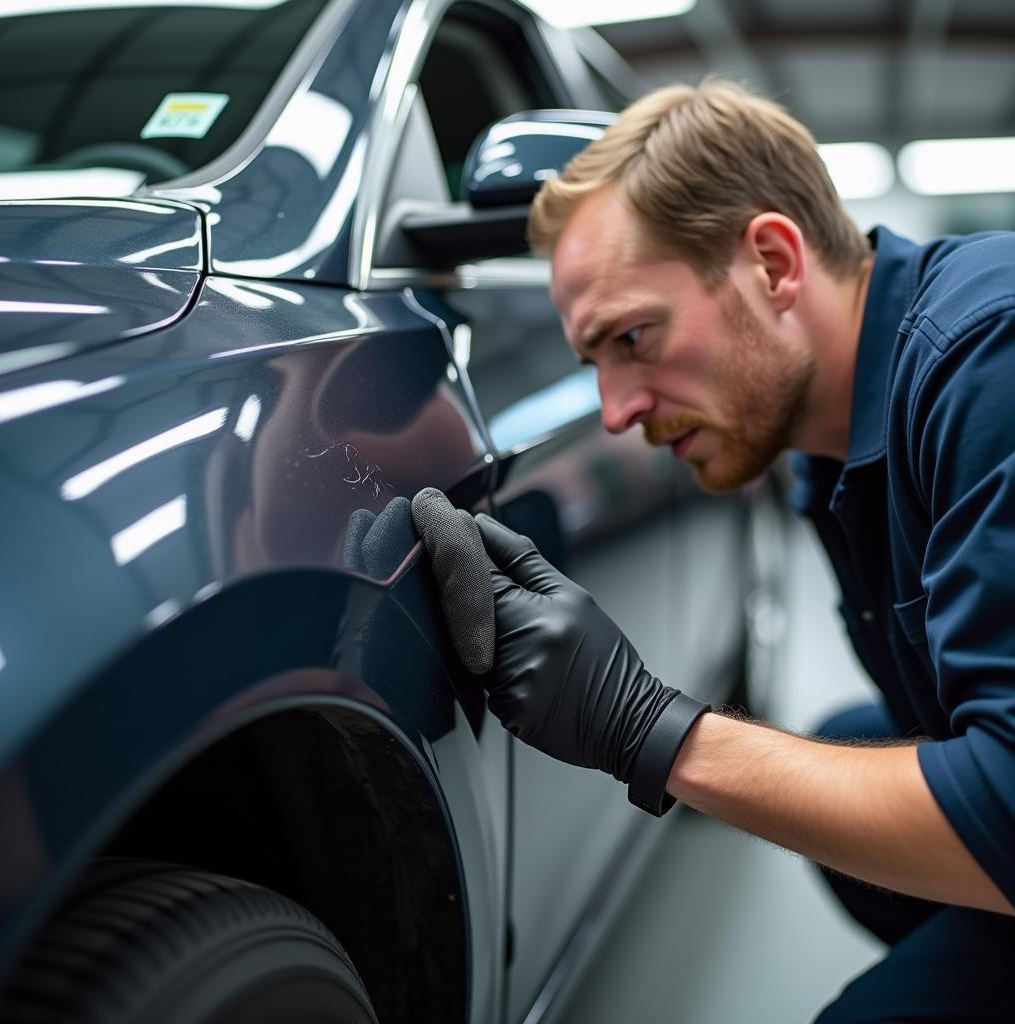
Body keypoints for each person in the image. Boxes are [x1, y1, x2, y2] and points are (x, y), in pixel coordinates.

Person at [410, 79, 1015, 1021]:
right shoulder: (830, 446)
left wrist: (647, 726)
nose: (616, 412)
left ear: (773, 263)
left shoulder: (991, 360)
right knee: (862, 742)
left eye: (635, 336)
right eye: (595, 363)